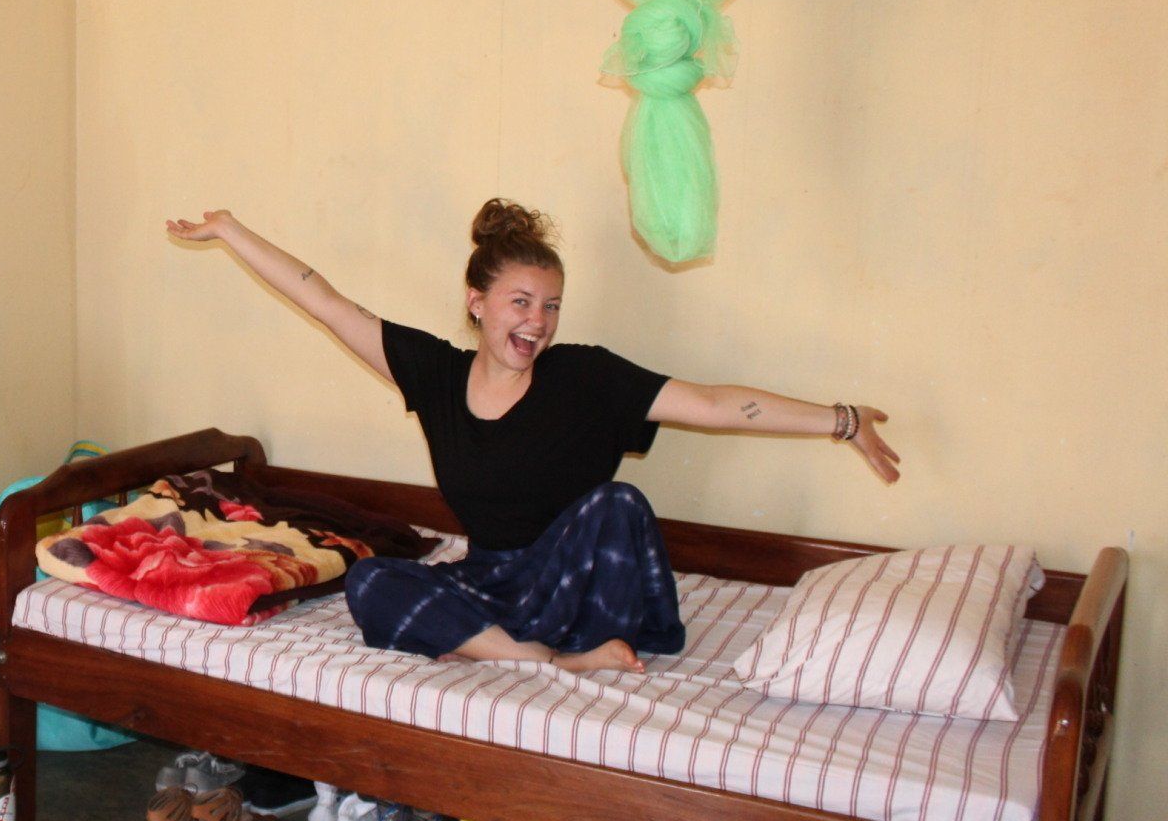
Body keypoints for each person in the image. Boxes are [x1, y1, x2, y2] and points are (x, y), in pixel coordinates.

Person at [165, 201, 900, 674]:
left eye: (550, 306)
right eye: (521, 302)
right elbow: (323, 299)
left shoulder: (587, 378)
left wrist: (841, 421)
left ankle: (537, 648)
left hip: (574, 586)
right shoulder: (435, 375)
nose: (537, 322)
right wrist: (231, 231)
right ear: (477, 303)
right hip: (491, 584)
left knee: (618, 504)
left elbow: (714, 404)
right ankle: (538, 660)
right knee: (368, 579)